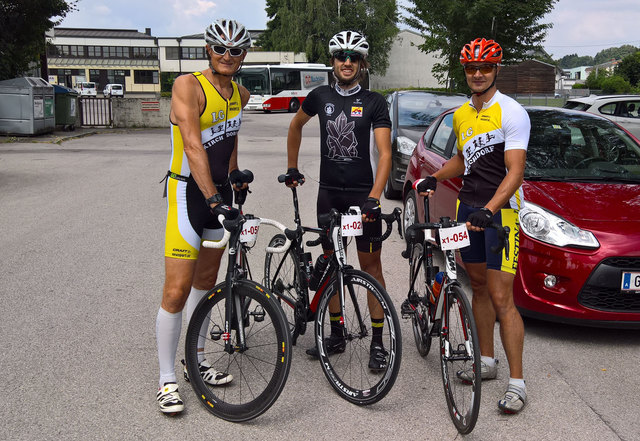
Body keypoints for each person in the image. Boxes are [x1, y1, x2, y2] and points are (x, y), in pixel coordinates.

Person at [414, 38, 529, 414]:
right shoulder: (462, 114)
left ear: (497, 69)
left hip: (501, 215)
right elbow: (464, 160)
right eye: (471, 69)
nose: (478, 74)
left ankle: (517, 384)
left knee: (502, 298)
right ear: (464, 72)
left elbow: (515, 171)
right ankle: (486, 361)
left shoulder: (511, 112)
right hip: (468, 208)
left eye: (485, 68)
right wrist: (435, 175)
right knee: (477, 286)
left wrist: (492, 208)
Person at [155, 18, 251, 415]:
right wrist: (213, 198)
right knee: (177, 290)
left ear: (244, 55)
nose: (227, 56)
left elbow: (228, 140)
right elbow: (193, 145)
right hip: (188, 194)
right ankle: (166, 380)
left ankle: (196, 362)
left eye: (236, 50)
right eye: (220, 49)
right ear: (208, 50)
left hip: (218, 194)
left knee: (206, 285)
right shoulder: (187, 86)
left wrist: (234, 179)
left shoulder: (241, 94)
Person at [285, 30, 392, 371]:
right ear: (332, 61)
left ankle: (378, 342)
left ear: (362, 64)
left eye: (354, 57)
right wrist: (292, 166)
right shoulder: (319, 96)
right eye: (341, 56)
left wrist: (374, 198)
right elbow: (295, 126)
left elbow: (386, 154)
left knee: (370, 268)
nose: (347, 62)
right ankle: (336, 333)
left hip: (363, 197)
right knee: (332, 263)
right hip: (329, 195)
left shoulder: (375, 101)